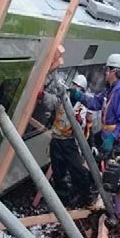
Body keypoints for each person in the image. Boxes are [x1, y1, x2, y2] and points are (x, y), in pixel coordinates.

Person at [70, 54, 120, 218]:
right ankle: (104, 204)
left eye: (107, 70)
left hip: (118, 141)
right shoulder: (110, 90)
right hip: (109, 138)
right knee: (103, 171)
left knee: (115, 176)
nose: (105, 73)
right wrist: (79, 96)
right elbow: (95, 103)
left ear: (114, 71)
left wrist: (112, 137)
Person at [46, 74, 92, 204]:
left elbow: (83, 126)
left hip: (69, 141)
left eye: (79, 87)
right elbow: (52, 102)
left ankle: (84, 195)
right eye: (74, 85)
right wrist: (42, 96)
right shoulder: (62, 98)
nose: (75, 88)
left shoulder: (82, 106)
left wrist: (79, 122)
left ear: (82, 91)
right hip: (56, 139)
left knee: (77, 169)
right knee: (58, 170)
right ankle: (62, 198)